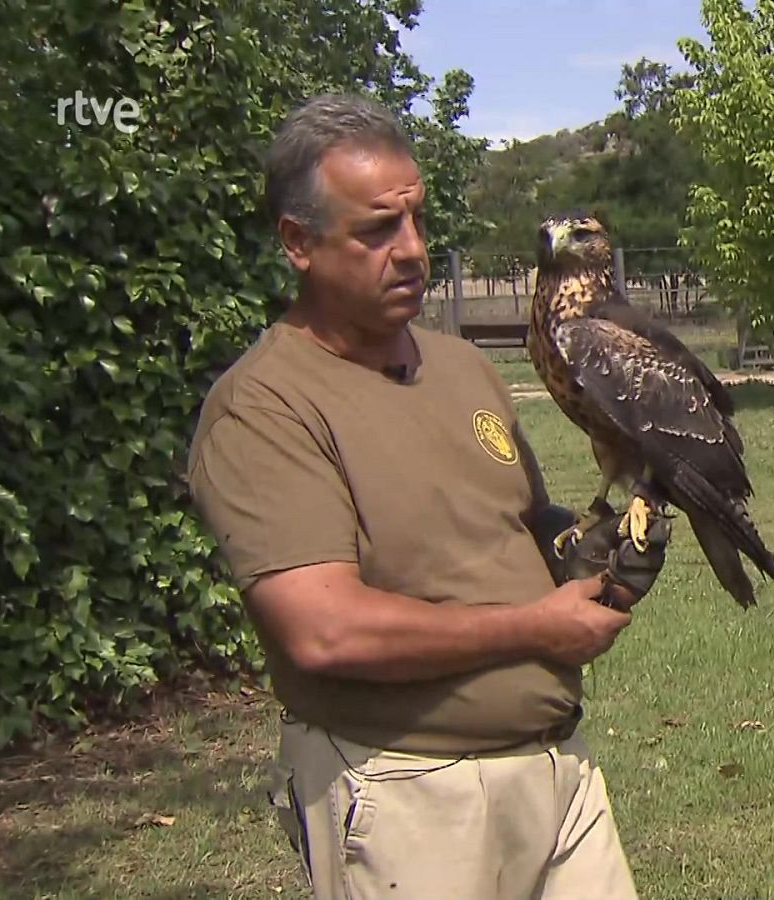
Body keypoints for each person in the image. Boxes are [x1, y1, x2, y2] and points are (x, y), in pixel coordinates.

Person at [185, 93, 669, 899]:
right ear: (298, 243)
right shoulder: (266, 407)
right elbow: (325, 633)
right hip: (408, 793)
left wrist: (580, 550)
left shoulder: (462, 367)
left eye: (416, 220)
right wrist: (539, 627)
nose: (410, 250)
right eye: (377, 229)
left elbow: (512, 526)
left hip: (559, 772)